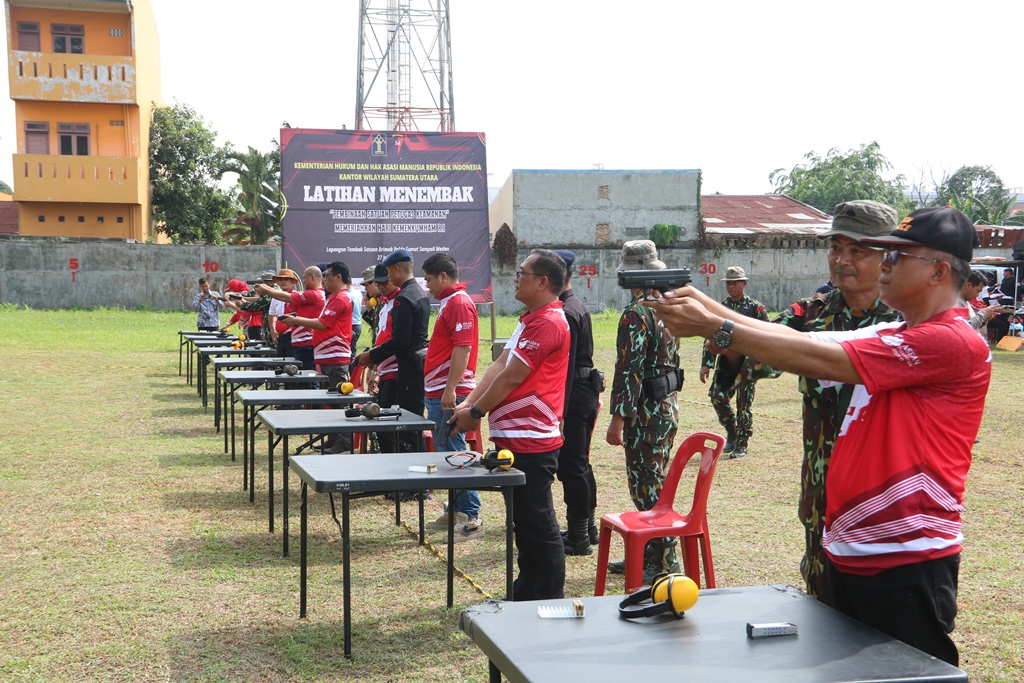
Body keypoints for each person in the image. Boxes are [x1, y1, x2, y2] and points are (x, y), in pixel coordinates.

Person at [652, 206, 990, 666]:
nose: (883, 265)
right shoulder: (898, 328)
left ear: (939, 271)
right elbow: (803, 340)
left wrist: (716, 327)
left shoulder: (950, 339)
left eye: (896, 256)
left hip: (904, 553)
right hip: (853, 544)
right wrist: (702, 302)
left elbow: (825, 362)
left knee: (907, 674)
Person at [768, 199, 900, 605]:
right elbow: (758, 352)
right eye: (835, 248)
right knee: (824, 607)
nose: (841, 260)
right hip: (822, 496)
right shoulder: (812, 315)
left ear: (889, 258)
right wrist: (718, 330)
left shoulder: (908, 324)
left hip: (883, 504)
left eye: (857, 250)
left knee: (883, 621)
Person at [451, 249, 570, 601]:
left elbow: (513, 377)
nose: (516, 278)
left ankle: (546, 596)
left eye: (523, 273)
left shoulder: (548, 322)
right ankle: (526, 592)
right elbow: (499, 366)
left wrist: (474, 414)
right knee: (523, 524)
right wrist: (469, 402)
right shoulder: (530, 319)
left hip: (532, 440)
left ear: (543, 282)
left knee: (539, 524)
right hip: (515, 438)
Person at [605, 240, 682, 583]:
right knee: (656, 483)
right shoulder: (668, 307)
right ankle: (649, 551)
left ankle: (664, 561)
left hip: (645, 413)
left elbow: (629, 369)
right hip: (666, 407)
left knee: (646, 489)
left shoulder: (637, 312)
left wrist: (618, 418)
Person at [420, 253, 483, 541]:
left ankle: (471, 517)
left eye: (429, 279)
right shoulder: (450, 302)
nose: (427, 286)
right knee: (447, 452)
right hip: (439, 390)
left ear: (443, 276)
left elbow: (463, 349)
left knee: (455, 453)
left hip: (448, 392)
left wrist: (450, 389)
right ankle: (458, 509)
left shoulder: (458, 302)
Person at [357, 249, 430, 452]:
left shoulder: (404, 298)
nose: (385, 280)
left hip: (405, 369)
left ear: (397, 269)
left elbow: (400, 341)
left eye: (388, 273)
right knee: (407, 424)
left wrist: (371, 356)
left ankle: (415, 480)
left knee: (405, 426)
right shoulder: (418, 293)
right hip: (412, 367)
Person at [554, 249, 602, 556]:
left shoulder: (566, 312)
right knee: (579, 465)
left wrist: (559, 410)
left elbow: (566, 368)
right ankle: (587, 528)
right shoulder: (572, 306)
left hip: (573, 395)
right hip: (581, 393)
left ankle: (578, 536)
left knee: (572, 467)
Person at [279, 262, 354, 453]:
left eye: (328, 276)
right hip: (327, 356)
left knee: (339, 402)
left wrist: (296, 320)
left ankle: (344, 442)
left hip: (335, 357)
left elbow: (322, 323)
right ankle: (334, 439)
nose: (325, 280)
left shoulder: (340, 298)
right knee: (331, 401)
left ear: (338, 277)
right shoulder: (334, 297)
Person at [699, 266, 768, 459]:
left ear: (744, 283)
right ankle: (733, 432)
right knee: (717, 397)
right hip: (727, 363)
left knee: (743, 405)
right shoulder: (720, 308)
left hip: (748, 363)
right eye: (728, 282)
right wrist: (707, 363)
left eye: (735, 282)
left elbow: (769, 334)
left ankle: (742, 443)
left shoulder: (756, 308)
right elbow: (711, 336)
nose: (731, 286)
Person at [257, 267, 325, 371]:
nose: (303, 281)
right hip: (299, 341)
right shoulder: (313, 294)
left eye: (304, 278)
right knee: (297, 375)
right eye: (280, 279)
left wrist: (266, 289)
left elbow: (287, 297)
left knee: (306, 377)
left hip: (305, 342)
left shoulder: (313, 294)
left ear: (312, 277)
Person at [237, 270, 279, 346]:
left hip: (274, 329)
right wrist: (234, 295)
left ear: (267, 282)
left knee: (273, 353)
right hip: (268, 328)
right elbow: (250, 295)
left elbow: (257, 305)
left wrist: (241, 304)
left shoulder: (273, 292)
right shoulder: (269, 291)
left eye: (261, 283)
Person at [268, 269, 300, 358]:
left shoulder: (297, 297)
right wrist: (273, 331)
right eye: (280, 279)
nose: (283, 281)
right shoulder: (275, 298)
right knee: (281, 362)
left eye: (286, 279)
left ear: (292, 281)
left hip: (293, 335)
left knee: (292, 363)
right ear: (277, 282)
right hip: (280, 336)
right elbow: (271, 314)